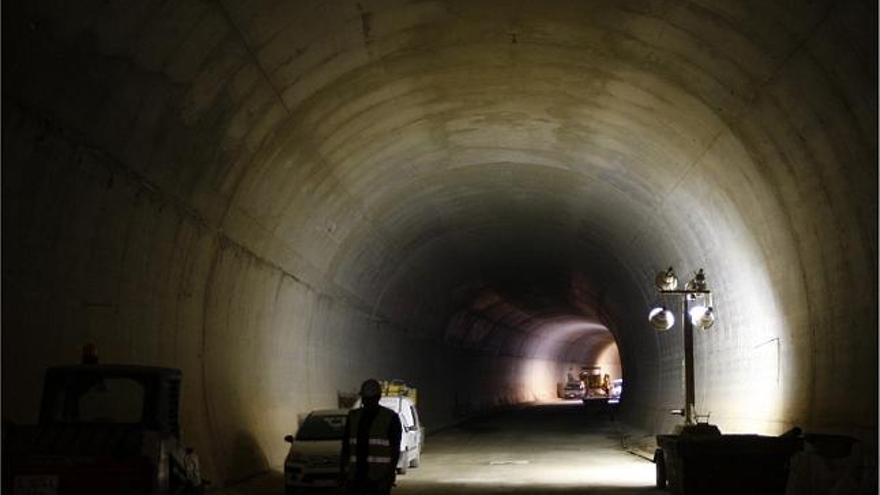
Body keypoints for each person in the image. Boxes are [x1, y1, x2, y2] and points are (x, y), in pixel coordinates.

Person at [341, 379, 402, 495]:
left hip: (377, 479)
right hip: (358, 478)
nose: (367, 402)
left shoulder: (390, 418)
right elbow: (346, 447)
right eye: (366, 399)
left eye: (369, 399)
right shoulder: (354, 417)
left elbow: (395, 449)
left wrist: (389, 475)